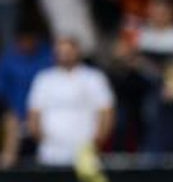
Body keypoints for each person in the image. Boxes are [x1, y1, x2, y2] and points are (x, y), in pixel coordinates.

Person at [26, 36, 114, 167]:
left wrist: (96, 143)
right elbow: (34, 114)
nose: (64, 55)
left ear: (77, 52)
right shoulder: (44, 79)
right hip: (51, 152)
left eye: (68, 51)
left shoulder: (94, 78)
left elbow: (106, 112)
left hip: (85, 151)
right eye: (60, 52)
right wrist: (44, 141)